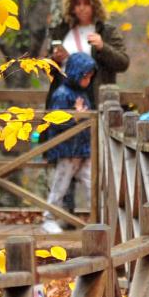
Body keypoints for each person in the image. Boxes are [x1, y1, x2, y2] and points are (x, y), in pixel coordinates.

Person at [42, 50, 98, 225]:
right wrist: (76, 118)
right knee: (60, 185)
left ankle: (99, 218)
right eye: (85, 77)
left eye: (90, 77)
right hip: (66, 150)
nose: (87, 81)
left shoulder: (83, 93)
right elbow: (56, 122)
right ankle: (49, 219)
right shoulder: (61, 94)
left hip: (84, 150)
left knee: (92, 185)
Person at [41, 0, 131, 89]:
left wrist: (103, 47)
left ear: (95, 6)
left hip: (96, 97)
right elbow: (45, 68)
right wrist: (55, 59)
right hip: (64, 95)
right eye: (78, 4)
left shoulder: (107, 32)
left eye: (86, 4)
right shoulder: (61, 32)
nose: (82, 8)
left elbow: (123, 63)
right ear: (72, 8)